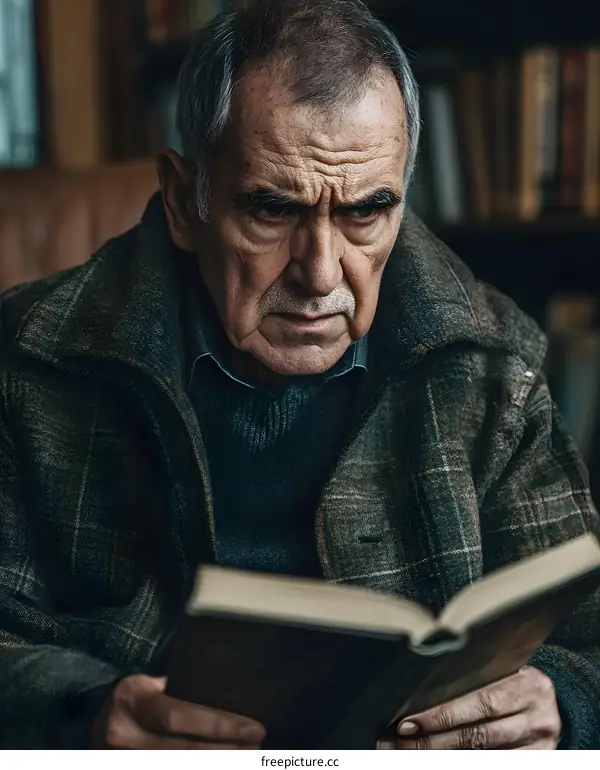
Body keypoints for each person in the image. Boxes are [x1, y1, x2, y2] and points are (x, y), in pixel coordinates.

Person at [0, 0, 598, 751]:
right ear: (185, 202)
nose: (321, 274)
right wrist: (84, 717)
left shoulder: (494, 367)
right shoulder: (29, 362)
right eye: (272, 211)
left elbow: (588, 639)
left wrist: (561, 701)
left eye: (365, 213)